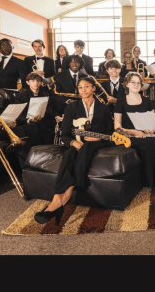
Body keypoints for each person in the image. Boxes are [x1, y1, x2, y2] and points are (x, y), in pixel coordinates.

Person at [34, 76, 114, 225]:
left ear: (93, 88)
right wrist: (72, 142)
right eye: (80, 87)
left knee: (87, 146)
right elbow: (64, 134)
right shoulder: (72, 107)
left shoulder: (103, 108)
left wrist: (98, 138)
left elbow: (110, 132)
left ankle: (66, 193)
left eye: (87, 86)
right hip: (78, 142)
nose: (83, 90)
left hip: (97, 143)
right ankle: (57, 198)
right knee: (69, 153)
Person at [114, 72, 155, 187]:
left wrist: (151, 130)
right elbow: (117, 127)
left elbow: (152, 123)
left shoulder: (147, 102)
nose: (136, 85)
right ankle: (148, 180)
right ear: (127, 84)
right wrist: (134, 132)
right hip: (129, 135)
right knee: (146, 145)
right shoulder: (120, 102)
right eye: (133, 82)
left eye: (139, 83)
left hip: (145, 134)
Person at [15, 72, 56, 145]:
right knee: (37, 125)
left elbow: (51, 110)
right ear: (28, 82)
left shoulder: (46, 94)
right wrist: (30, 120)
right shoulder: (21, 96)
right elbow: (19, 114)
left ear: (41, 82)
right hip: (27, 120)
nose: (36, 83)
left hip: (43, 118)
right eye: (33, 81)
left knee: (49, 123)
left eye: (38, 81)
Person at [50, 55, 88, 120]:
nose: (75, 64)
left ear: (80, 64)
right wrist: (69, 101)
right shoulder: (59, 76)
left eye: (77, 62)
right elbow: (55, 94)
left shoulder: (85, 77)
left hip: (83, 106)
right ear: (68, 64)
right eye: (72, 62)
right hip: (65, 106)